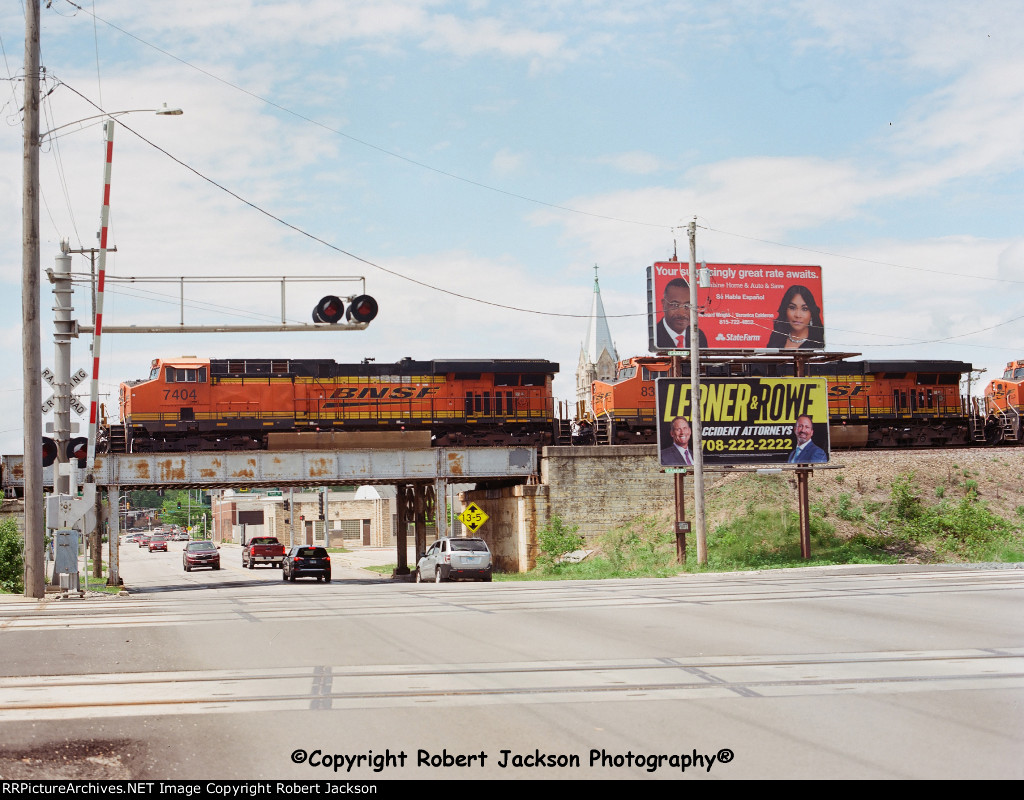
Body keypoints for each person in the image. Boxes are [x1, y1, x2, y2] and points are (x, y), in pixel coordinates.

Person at [766, 285, 824, 350]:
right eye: (792, 308)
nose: (798, 315)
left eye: (804, 309)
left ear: (812, 313)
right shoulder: (776, 337)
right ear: (785, 310)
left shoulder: (820, 341)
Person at [656, 278, 708, 349]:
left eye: (687, 306)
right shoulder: (655, 335)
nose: (682, 313)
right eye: (675, 305)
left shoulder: (699, 336)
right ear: (663, 304)